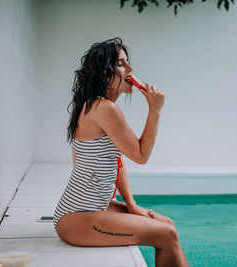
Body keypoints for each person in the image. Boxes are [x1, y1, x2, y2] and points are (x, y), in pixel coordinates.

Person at [53, 38, 189, 267]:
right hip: (77, 216)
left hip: (91, 207)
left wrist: (131, 203)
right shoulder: (104, 108)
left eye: (128, 62)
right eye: (121, 64)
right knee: (166, 235)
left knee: (167, 224)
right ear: (105, 74)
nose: (130, 69)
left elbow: (118, 161)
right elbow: (141, 156)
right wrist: (155, 111)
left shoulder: (93, 105)